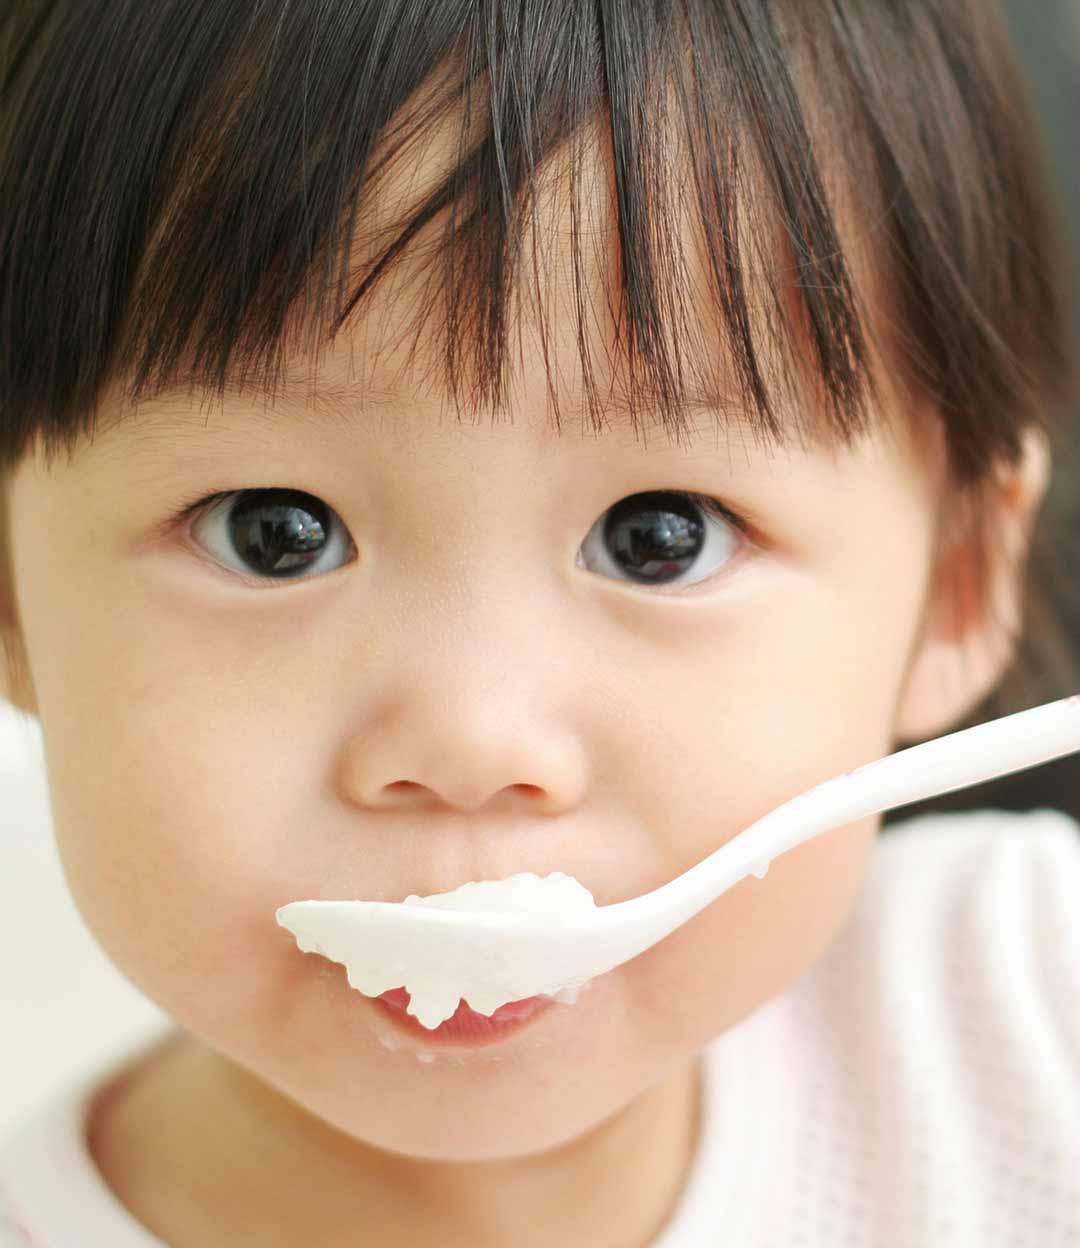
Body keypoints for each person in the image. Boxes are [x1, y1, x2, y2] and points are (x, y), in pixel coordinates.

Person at [1, 2, 1078, 1245]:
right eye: (272, 530)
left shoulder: (1032, 1010)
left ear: (955, 584)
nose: (471, 742)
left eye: (660, 535)